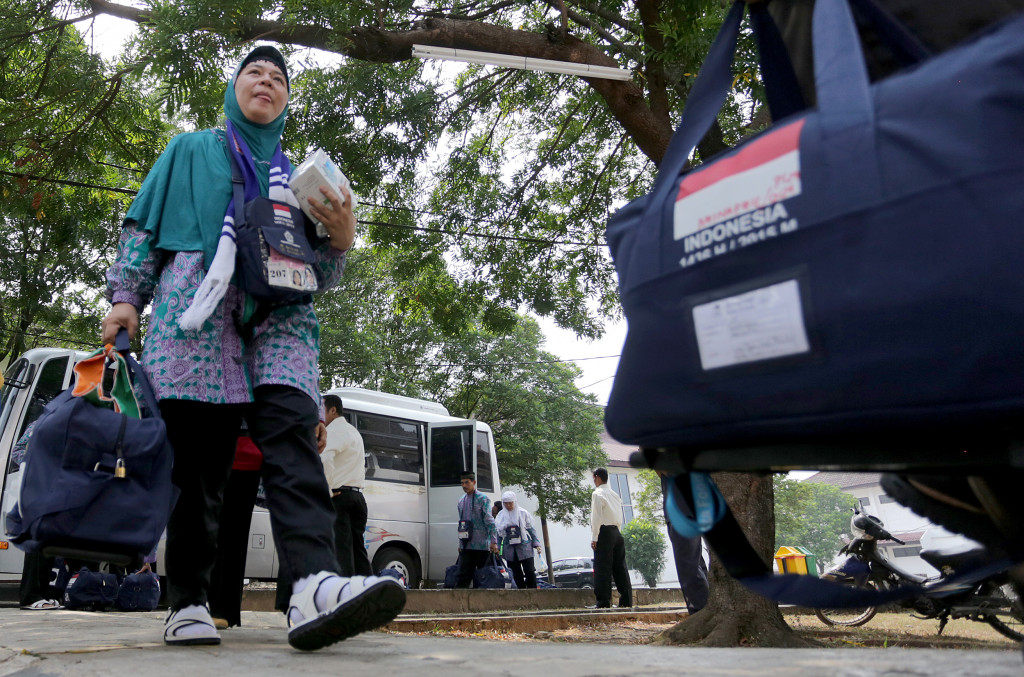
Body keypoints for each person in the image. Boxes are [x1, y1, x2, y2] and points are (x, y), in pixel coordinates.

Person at [100, 45, 404, 651]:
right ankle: (188, 600)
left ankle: (313, 584)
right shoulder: (189, 150)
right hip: (199, 314)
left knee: (293, 441)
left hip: (281, 318)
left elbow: (321, 272)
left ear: (287, 99)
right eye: (254, 73)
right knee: (200, 464)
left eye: (278, 78)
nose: (266, 81)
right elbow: (143, 228)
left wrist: (342, 240)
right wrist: (127, 297)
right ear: (234, 87)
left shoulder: (305, 178)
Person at [208, 430, 264, 629]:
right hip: (251, 456)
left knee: (214, 535)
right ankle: (229, 613)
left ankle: (214, 609)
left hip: (218, 451)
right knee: (237, 540)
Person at [319, 394, 371, 577]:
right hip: (358, 498)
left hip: (340, 498)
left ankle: (345, 593)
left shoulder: (333, 431)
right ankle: (368, 590)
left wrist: (326, 491)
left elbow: (325, 458)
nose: (319, 416)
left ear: (333, 410)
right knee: (358, 552)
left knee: (342, 553)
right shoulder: (354, 432)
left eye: (321, 410)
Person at [659, 472, 709, 614]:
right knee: (696, 563)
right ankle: (706, 607)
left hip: (681, 509)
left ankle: (699, 611)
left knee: (688, 565)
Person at [590, 468, 632, 609]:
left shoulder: (597, 494)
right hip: (617, 532)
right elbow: (619, 515)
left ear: (598, 477)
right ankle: (626, 600)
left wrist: (594, 537)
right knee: (620, 567)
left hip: (604, 532)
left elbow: (596, 517)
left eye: (594, 478)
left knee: (602, 567)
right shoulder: (615, 494)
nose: (594, 481)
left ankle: (603, 601)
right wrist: (617, 532)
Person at [454, 472, 498, 588]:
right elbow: (462, 524)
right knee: (462, 577)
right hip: (466, 545)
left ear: (474, 482)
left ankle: (482, 599)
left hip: (482, 545)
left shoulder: (483, 499)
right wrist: (460, 543)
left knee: (483, 577)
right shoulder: (461, 500)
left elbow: (489, 521)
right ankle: (460, 599)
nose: (464, 485)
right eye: (462, 483)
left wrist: (493, 541)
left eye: (467, 482)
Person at [494, 491, 542, 589]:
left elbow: (531, 529)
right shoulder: (500, 516)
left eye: (510, 503)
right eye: (506, 503)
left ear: (514, 502)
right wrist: (497, 547)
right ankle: (521, 592)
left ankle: (532, 591)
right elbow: (498, 534)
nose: (508, 505)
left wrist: (537, 544)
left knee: (530, 571)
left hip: (524, 547)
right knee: (515, 573)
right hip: (510, 548)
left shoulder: (523, 513)